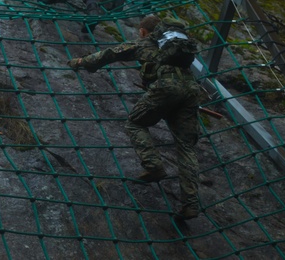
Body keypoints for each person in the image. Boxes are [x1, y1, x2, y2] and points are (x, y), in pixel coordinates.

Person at [68, 14, 204, 221]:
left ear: (143, 31)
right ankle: (191, 203)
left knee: (135, 123)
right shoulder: (176, 46)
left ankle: (154, 166)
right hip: (191, 90)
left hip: (165, 89)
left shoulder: (144, 43)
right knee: (186, 147)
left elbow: (110, 53)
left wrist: (81, 62)